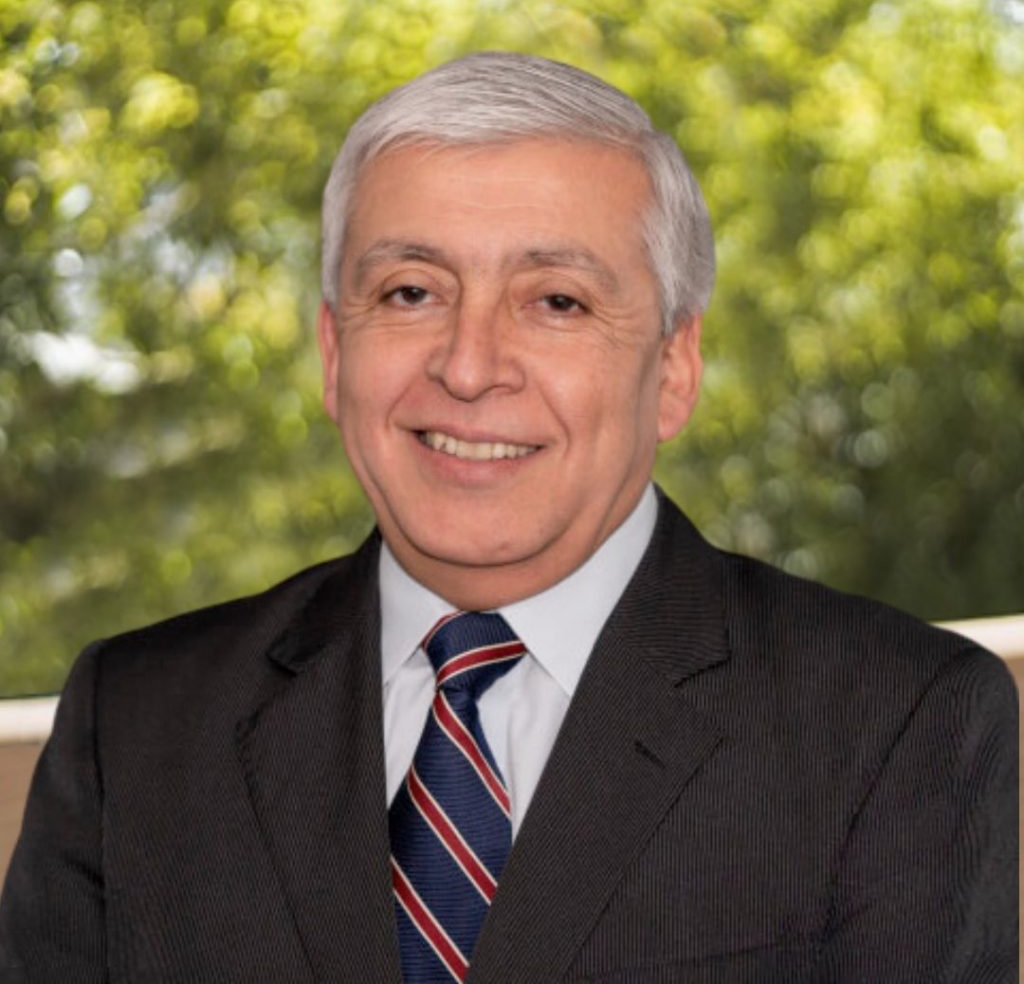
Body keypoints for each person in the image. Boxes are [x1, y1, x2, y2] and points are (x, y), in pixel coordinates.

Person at [0, 52, 1016, 983]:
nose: (469, 365)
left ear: (672, 369)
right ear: (334, 353)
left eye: (556, 301)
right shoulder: (133, 725)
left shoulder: (900, 722)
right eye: (411, 292)